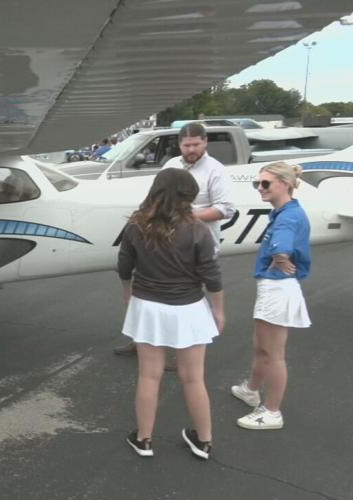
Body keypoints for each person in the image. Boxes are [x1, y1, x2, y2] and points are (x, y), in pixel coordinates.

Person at [118, 168, 224, 460]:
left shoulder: (136, 226)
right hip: (188, 308)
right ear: (188, 196)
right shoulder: (197, 230)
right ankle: (203, 441)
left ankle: (143, 439)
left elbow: (124, 266)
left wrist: (128, 293)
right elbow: (211, 276)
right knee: (193, 378)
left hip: (148, 307)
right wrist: (218, 310)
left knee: (149, 376)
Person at [114, 122, 235, 361]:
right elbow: (154, 198)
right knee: (153, 291)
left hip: (196, 241)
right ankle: (144, 341)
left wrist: (179, 217)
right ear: (179, 144)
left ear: (205, 142)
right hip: (161, 239)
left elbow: (225, 209)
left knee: (186, 297)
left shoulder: (216, 170)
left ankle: (180, 353)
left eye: (196, 144)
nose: (191, 149)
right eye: (186, 145)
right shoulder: (170, 165)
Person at [232, 162, 311, 430]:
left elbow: (283, 242)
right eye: (258, 183)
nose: (260, 188)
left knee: (273, 353)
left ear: (285, 184)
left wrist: (279, 257)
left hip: (278, 287)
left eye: (265, 183)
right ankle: (251, 389)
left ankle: (272, 411)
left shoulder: (287, 216)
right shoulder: (284, 212)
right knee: (261, 345)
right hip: (275, 286)